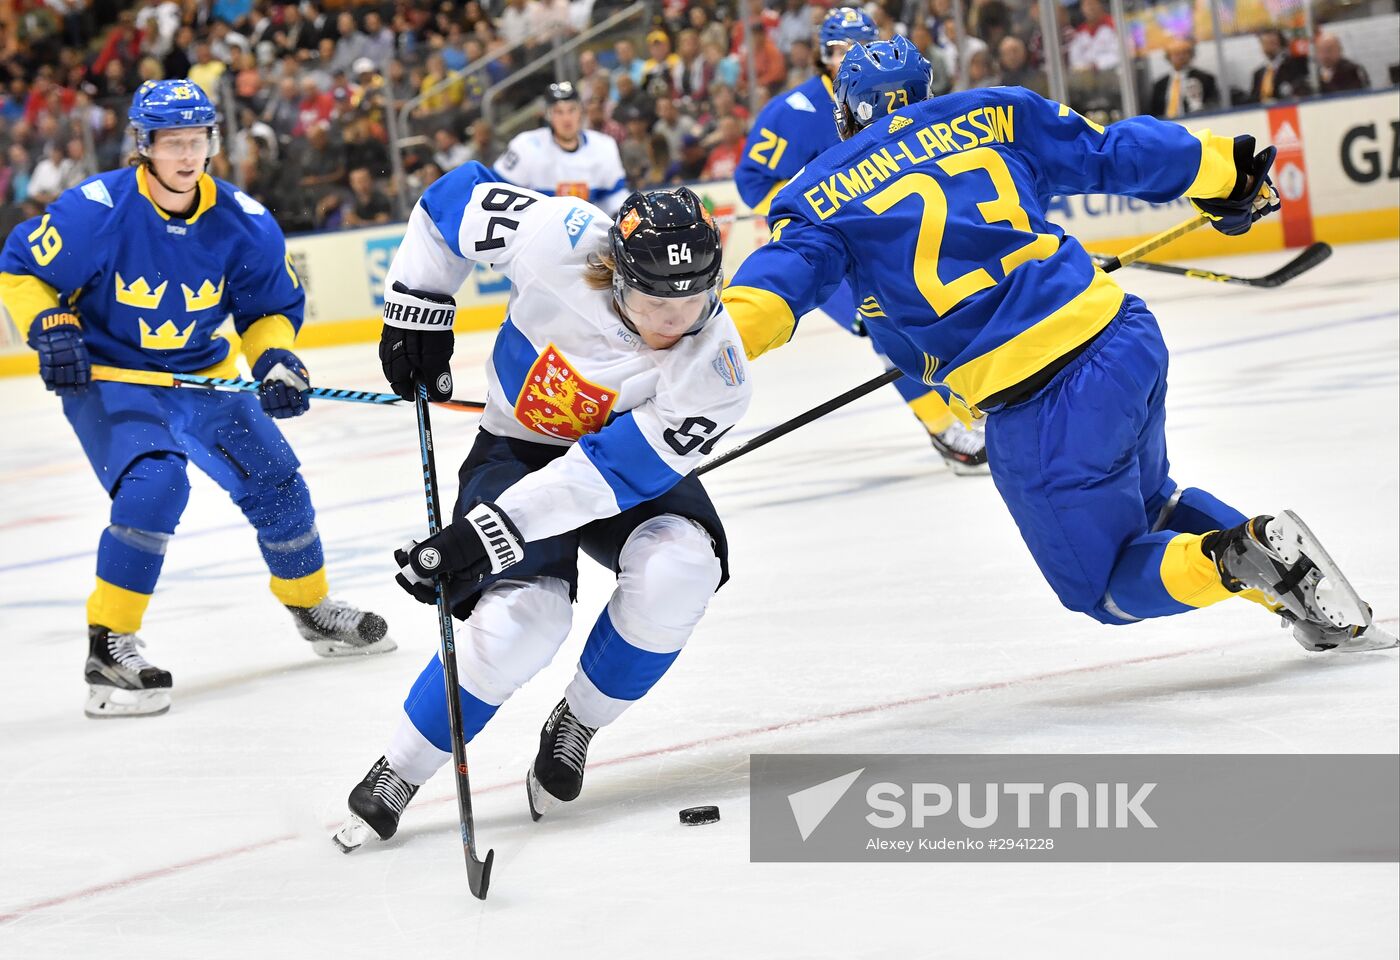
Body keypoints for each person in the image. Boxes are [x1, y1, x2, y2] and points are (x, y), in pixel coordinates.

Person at [721, 38, 1394, 653]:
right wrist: (1225, 175)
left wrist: (695, 355)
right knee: (1154, 505)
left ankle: (1236, 557)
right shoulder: (990, 114)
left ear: (845, 111)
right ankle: (1298, 584)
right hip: (1122, 336)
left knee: (1101, 587)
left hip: (1042, 401)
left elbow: (772, 297)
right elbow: (1114, 153)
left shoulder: (814, 196)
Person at [333, 164, 750, 847]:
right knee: (527, 621)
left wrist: (476, 538)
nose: (676, 324)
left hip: (618, 465)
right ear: (616, 275)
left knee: (681, 571)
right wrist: (418, 309)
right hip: (517, 448)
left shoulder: (717, 370)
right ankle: (401, 768)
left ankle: (578, 722)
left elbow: (603, 478)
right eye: (656, 305)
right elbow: (452, 199)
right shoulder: (559, 235)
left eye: (695, 301)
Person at [0, 80, 394, 719]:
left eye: (197, 141)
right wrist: (50, 325)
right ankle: (109, 643)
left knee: (279, 482)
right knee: (156, 486)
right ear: (144, 146)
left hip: (205, 378)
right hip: (114, 376)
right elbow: (21, 269)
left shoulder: (245, 221)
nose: (187, 155)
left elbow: (267, 310)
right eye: (172, 142)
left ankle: (311, 606)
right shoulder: (96, 210)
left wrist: (273, 359)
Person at [733, 7, 988, 474]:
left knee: (939, 315)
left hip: (900, 234)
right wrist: (812, 209)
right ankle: (943, 427)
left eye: (857, 45)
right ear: (821, 55)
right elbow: (753, 180)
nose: (846, 56)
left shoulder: (898, 95)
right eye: (837, 49)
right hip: (837, 245)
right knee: (885, 328)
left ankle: (972, 404)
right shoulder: (793, 111)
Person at [496, 81, 628, 216]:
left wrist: (619, 216)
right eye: (559, 112)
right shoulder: (525, 146)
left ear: (581, 112)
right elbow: (499, 190)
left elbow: (614, 196)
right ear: (548, 115)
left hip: (589, 231)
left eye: (572, 110)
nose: (566, 119)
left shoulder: (604, 146)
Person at [1150, 37, 1220, 119]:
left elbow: (1213, 104)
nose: (1181, 57)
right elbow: (1154, 110)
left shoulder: (1205, 79)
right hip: (1166, 125)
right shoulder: (1160, 84)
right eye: (1176, 53)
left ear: (1191, 55)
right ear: (1168, 57)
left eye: (1184, 53)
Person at [1250, 28, 1311, 103]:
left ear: (1279, 43)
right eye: (1264, 44)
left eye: (1271, 43)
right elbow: (1253, 99)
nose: (1266, 48)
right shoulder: (1258, 74)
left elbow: (1301, 90)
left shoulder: (1293, 64)